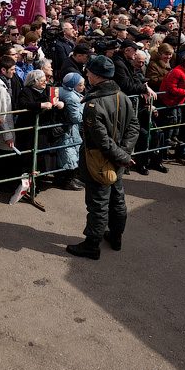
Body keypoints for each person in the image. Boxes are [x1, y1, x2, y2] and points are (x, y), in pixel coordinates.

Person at [66, 56, 138, 260]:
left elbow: (102, 142)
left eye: (88, 72)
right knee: (117, 199)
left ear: (97, 75)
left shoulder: (93, 105)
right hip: (117, 160)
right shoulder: (122, 95)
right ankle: (116, 237)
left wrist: (121, 155)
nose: (86, 75)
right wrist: (124, 154)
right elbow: (134, 127)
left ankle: (91, 245)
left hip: (100, 161)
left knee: (98, 204)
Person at [55, 72, 85, 191]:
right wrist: (83, 105)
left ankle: (66, 178)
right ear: (73, 85)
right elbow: (76, 118)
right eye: (81, 85)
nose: (83, 87)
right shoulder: (72, 97)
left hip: (66, 129)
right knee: (70, 154)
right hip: (70, 130)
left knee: (66, 153)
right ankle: (67, 180)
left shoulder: (63, 90)